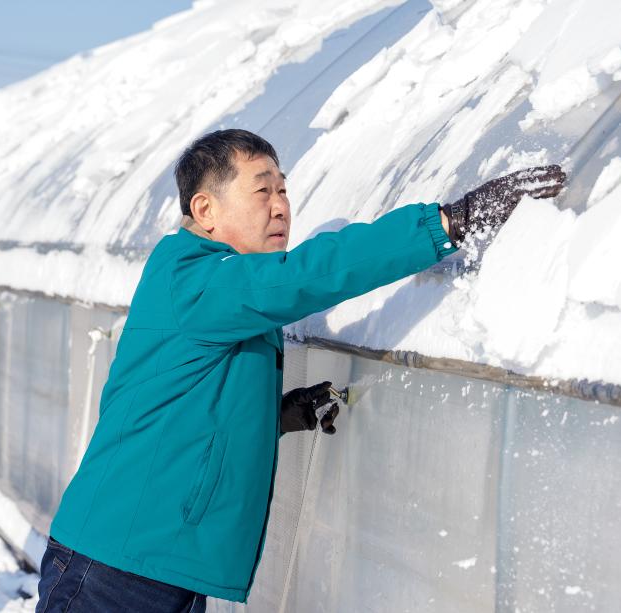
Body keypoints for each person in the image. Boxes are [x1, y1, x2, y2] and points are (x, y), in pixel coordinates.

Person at [35, 129, 565, 612]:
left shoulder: (212, 287)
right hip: (115, 568)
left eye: (284, 190)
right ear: (205, 209)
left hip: (152, 561)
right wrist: (449, 222)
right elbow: (307, 274)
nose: (280, 206)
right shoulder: (196, 278)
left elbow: (187, 407)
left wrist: (277, 416)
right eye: (262, 190)